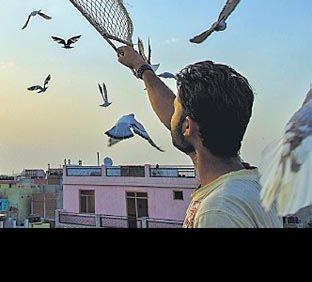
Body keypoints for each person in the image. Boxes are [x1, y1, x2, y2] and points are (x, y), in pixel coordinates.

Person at [116, 46, 282, 228]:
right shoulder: (250, 184)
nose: (171, 115)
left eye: (176, 108)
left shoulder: (217, 212)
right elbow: (177, 120)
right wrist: (141, 67)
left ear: (187, 126)